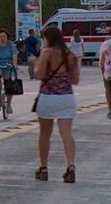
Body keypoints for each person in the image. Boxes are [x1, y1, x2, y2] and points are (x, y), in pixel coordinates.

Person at [32, 24, 80, 181]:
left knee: (45, 133)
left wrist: (35, 63)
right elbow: (75, 80)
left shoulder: (47, 52)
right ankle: (71, 166)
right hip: (66, 98)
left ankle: (44, 167)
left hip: (48, 97)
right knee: (67, 133)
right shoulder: (71, 55)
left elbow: (39, 75)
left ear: (48, 38)